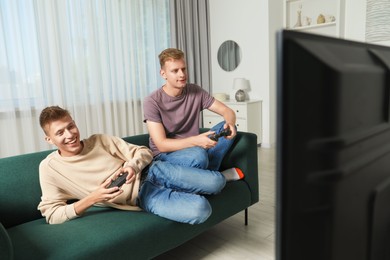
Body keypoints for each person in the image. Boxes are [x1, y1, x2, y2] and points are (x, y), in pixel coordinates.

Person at [37, 106, 227, 225]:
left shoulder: (99, 140)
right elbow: (52, 214)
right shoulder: (49, 169)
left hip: (154, 170)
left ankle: (224, 128)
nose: (70, 135)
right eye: (60, 132)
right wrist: (92, 199)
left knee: (216, 182)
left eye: (71, 126)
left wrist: (132, 166)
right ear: (49, 139)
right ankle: (196, 181)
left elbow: (143, 152)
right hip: (143, 197)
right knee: (201, 210)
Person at [143, 48, 243, 180]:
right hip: (165, 155)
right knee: (198, 156)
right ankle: (218, 177)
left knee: (228, 128)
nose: (182, 74)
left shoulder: (195, 91)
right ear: (163, 74)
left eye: (183, 69)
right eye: (175, 71)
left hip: (194, 147)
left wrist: (230, 123)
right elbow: (162, 144)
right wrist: (196, 141)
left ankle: (209, 175)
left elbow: (227, 111)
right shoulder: (152, 101)